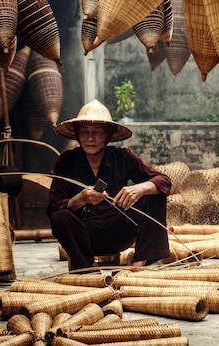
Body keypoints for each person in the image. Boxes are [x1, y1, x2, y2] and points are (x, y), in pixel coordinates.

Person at [47, 99, 171, 270]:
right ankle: (88, 268)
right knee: (60, 217)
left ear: (108, 134)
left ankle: (140, 264)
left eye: (97, 132)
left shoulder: (122, 157)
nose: (90, 138)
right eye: (84, 132)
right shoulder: (66, 161)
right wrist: (80, 199)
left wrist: (140, 188)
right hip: (83, 235)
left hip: (119, 230)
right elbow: (53, 208)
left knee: (155, 195)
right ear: (77, 134)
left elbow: (164, 181)